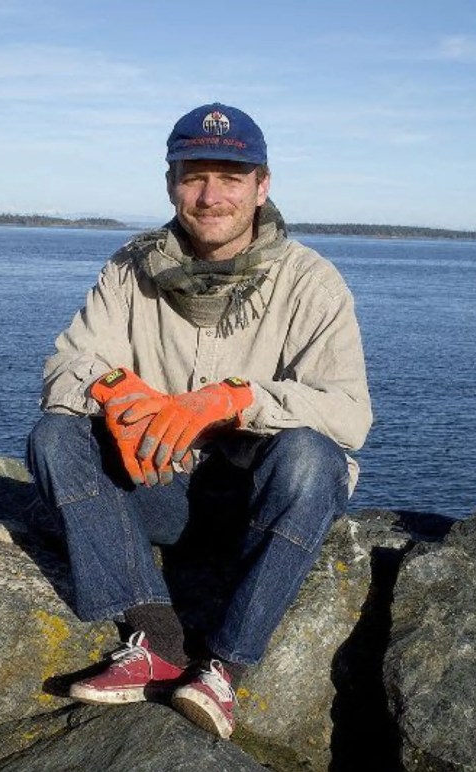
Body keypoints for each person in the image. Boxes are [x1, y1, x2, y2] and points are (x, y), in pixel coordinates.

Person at [26, 102, 372, 739]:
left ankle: (223, 668)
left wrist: (236, 399)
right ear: (171, 183)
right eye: (194, 177)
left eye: (231, 178)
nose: (211, 197)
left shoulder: (311, 282)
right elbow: (66, 365)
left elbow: (350, 415)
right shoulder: (129, 269)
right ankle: (155, 641)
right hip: (161, 486)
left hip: (260, 505)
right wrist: (112, 389)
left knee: (312, 457)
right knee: (55, 435)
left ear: (261, 186)